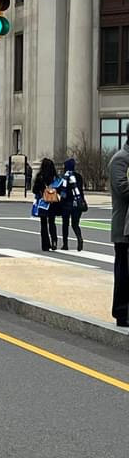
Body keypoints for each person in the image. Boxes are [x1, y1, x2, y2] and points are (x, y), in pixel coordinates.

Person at [108, 128, 129, 328]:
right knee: (123, 272)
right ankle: (122, 313)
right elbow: (123, 188)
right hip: (123, 226)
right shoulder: (120, 159)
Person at [32, 158, 64, 252]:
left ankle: (45, 245)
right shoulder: (56, 178)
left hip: (43, 203)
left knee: (43, 224)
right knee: (52, 223)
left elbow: (34, 190)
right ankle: (54, 241)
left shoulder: (40, 177)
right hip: (53, 203)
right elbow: (61, 191)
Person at [59, 158, 85, 251]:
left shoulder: (64, 177)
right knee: (75, 224)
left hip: (66, 203)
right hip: (77, 203)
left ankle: (65, 244)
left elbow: (61, 190)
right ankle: (79, 238)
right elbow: (80, 190)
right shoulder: (79, 177)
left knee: (65, 224)